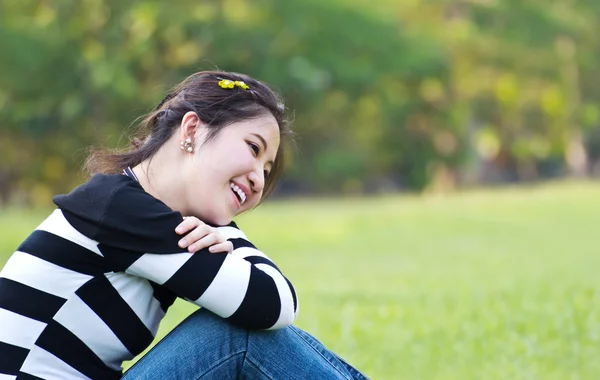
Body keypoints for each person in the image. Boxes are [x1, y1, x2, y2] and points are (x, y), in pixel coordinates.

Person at [0, 71, 368, 379]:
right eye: (253, 149)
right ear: (191, 129)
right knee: (234, 337)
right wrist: (227, 232)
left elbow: (272, 306)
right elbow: (274, 303)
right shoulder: (123, 211)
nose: (258, 179)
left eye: (267, 170)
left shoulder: (140, 213)